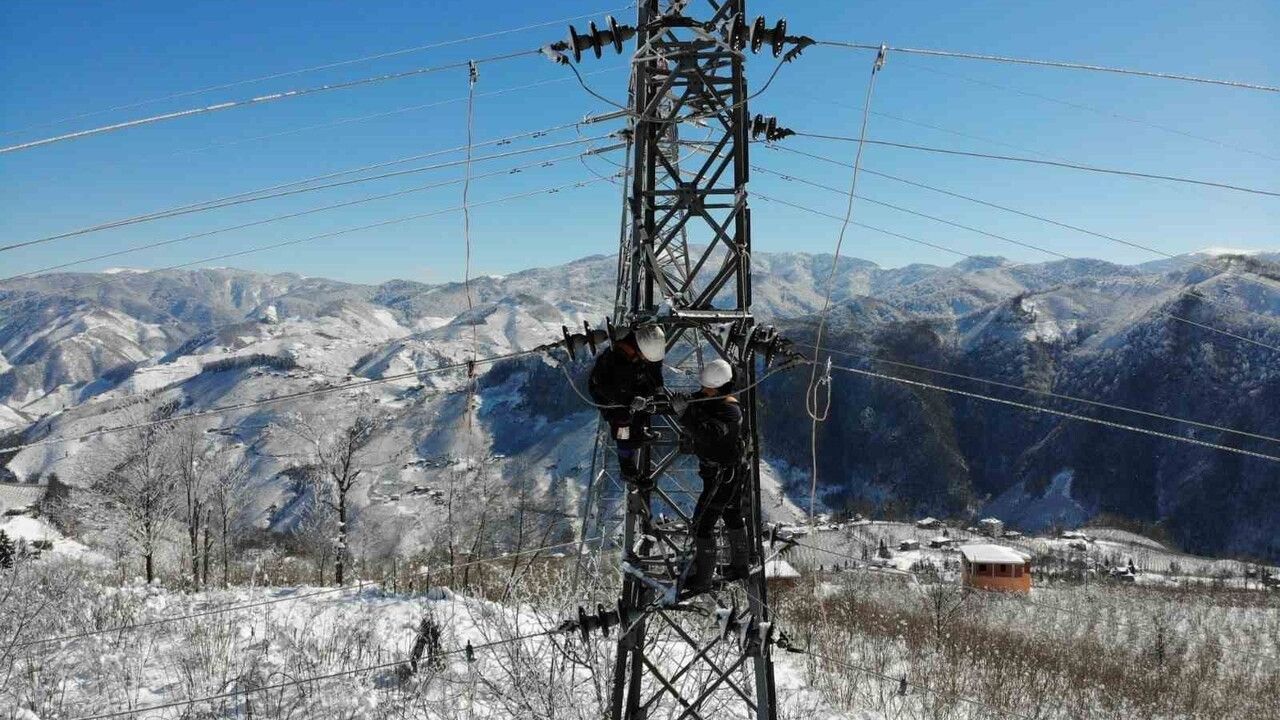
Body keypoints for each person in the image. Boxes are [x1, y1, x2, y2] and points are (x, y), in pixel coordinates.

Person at [674, 358, 751, 593]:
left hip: (723, 475)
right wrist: (678, 404)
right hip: (726, 472)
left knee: (702, 525)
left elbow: (710, 433)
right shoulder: (711, 399)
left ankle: (703, 578)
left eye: (708, 388)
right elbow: (695, 408)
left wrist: (685, 413)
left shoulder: (730, 410)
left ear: (720, 387)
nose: (704, 390)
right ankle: (740, 566)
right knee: (731, 514)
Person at [588, 324, 666, 484]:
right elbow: (605, 387)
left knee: (644, 401)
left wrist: (658, 390)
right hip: (609, 393)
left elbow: (654, 367)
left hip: (629, 383)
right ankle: (626, 467)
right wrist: (629, 401)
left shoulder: (647, 345)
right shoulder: (616, 359)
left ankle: (640, 431)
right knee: (622, 421)